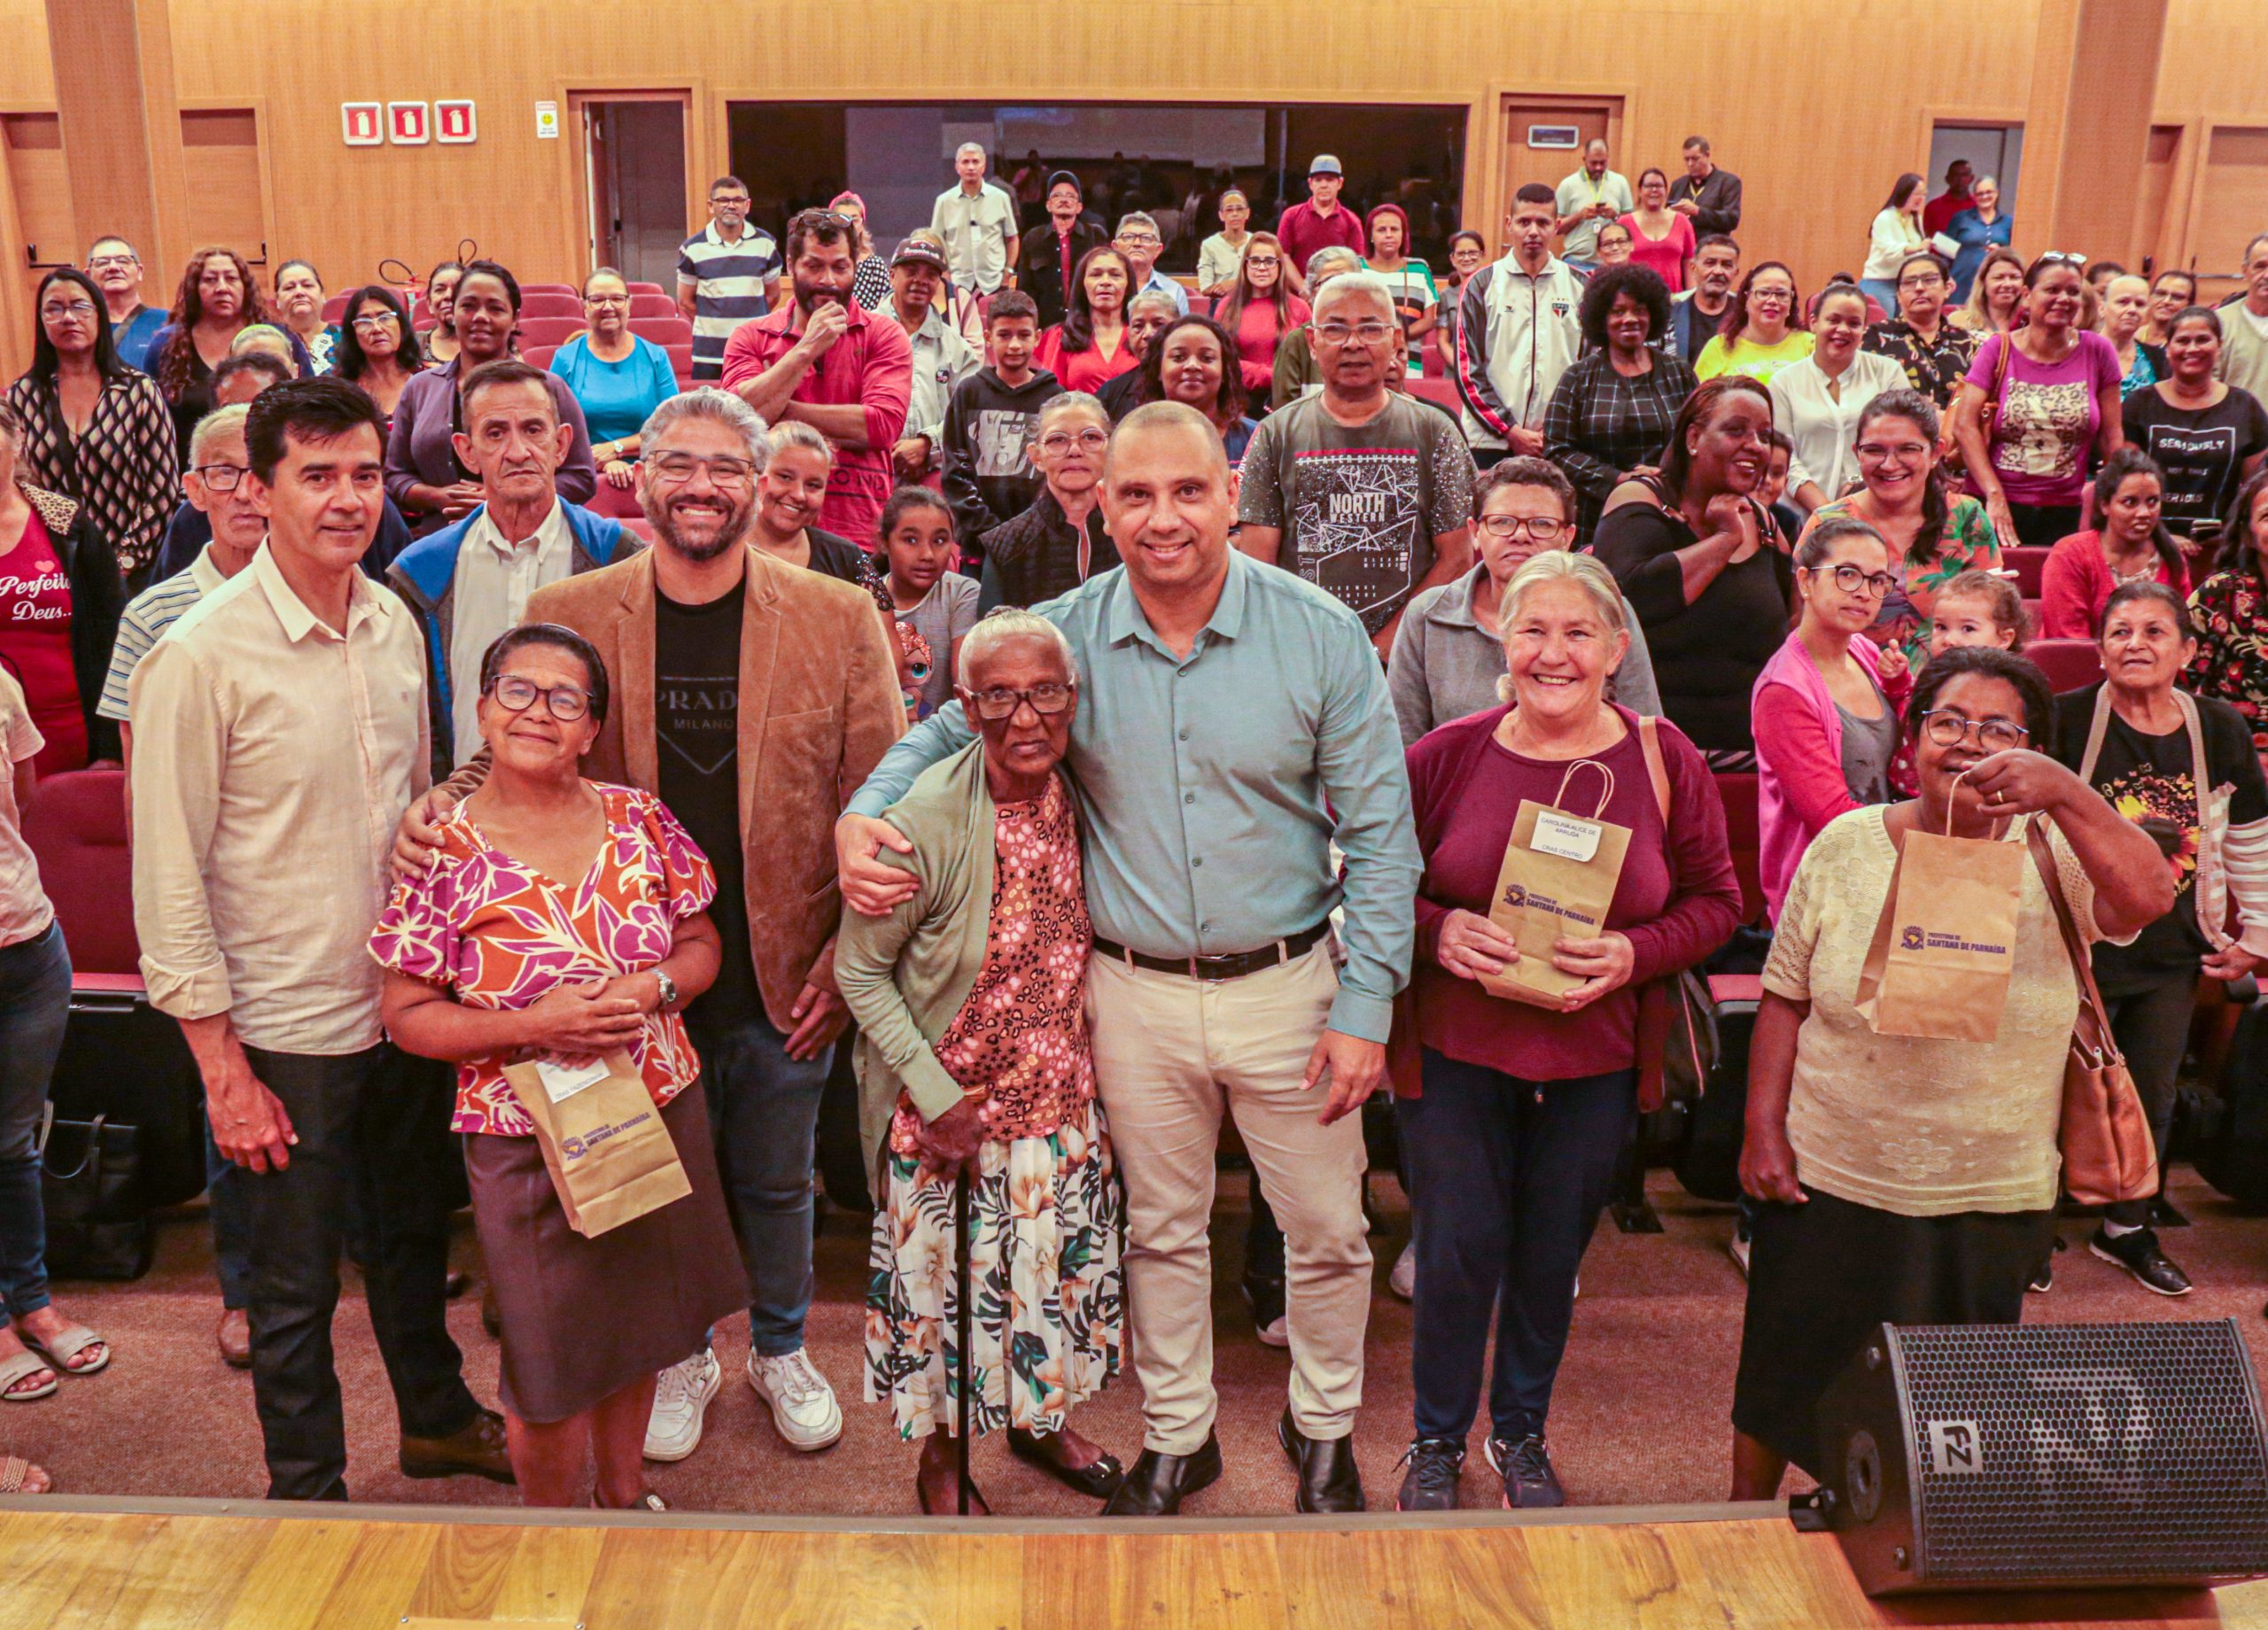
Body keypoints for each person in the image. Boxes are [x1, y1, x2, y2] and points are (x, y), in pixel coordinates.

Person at [837, 401, 1422, 1518]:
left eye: (1189, 491)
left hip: (1294, 987)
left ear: (1233, 497)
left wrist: (1364, 1005)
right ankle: (1178, 1436)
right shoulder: (1056, 638)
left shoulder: (1319, 633)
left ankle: (1326, 1424)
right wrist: (859, 818)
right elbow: (937, 731)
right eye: (1137, 494)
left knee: (1330, 1231)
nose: (1165, 518)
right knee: (1159, 1227)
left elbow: (1385, 840)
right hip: (1130, 992)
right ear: (1098, 508)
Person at [392, 386, 905, 1467]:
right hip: (622, 978)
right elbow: (514, 731)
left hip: (781, 968)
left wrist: (840, 964)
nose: (703, 486)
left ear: (759, 482)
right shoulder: (579, 606)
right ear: (641, 475)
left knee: (773, 1178)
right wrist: (442, 801)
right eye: (680, 463)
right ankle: (681, 1355)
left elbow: (884, 803)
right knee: (650, 1184)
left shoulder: (837, 611)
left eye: (726, 466)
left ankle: (777, 1346)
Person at [129, 378, 507, 1501]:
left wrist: (433, 819)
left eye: (361, 473)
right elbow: (167, 881)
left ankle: (435, 1421)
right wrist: (221, 1071)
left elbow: (408, 800)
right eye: (316, 476)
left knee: (409, 1248)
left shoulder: (393, 618)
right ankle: (306, 1490)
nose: (346, 499)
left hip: (401, 1004)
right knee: (292, 1288)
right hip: (283, 1029)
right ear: (254, 490)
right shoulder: (198, 658)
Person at [1729, 645, 2171, 1499]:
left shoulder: (2057, 853)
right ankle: (1740, 1528)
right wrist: (1762, 1133)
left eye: (2000, 728)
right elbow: (1783, 997)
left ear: (2036, 748)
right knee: (1783, 1376)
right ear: (1913, 739)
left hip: (1988, 1186)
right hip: (1834, 1173)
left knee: (1954, 1401)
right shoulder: (1849, 844)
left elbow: (2150, 896)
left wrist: (2069, 796)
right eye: (1949, 722)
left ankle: (1922, 1541)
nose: (1969, 744)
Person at [374, 625, 745, 1510]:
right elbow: (406, 1015)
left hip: (654, 1110)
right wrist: (534, 1021)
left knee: (642, 1331)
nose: (537, 710)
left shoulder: (640, 819)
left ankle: (622, 1499)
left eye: (565, 698)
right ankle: (549, 1537)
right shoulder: (442, 850)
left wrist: (653, 987)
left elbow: (700, 943)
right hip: (524, 1136)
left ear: (591, 730)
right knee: (545, 1363)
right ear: (482, 707)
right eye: (516, 689)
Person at [1396, 550, 1736, 1510]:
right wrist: (1438, 928)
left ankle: (1520, 1434)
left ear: (1616, 647)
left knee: (1550, 1257)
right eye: (1532, 630)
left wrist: (1636, 952)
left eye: (1577, 632)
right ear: (1502, 644)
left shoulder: (1662, 758)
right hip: (1458, 1049)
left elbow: (1718, 901)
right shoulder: (1447, 754)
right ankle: (1433, 1440)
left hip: (1594, 1058)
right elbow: (1368, 882)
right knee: (1455, 1253)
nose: (1553, 652)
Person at [838, 608, 1128, 1515]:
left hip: (1057, 1101)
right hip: (949, 1119)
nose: (1027, 717)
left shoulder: (1073, 786)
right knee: (948, 1303)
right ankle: (940, 1458)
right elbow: (859, 969)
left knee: (1044, 1281)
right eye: (1000, 696)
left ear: (1072, 699)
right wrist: (935, 1094)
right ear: (965, 706)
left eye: (1046, 692)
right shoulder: (922, 820)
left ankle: (1038, 1425)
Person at [2053, 582, 2268, 1294]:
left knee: (2149, 1093)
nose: (2135, 644)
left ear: (2187, 650)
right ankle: (2024, 1226)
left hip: (2171, 951)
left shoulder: (2219, 728)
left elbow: (2249, 837)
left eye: (2152, 631)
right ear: (2100, 646)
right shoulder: (2066, 718)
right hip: (2071, 950)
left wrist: (2260, 934)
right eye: (2119, 631)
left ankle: (2127, 1229)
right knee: (2044, 1090)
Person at [386, 359, 643, 771]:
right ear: (466, 452)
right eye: (495, 433)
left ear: (561, 445)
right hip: (463, 807)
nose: (518, 451)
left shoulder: (619, 560)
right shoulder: (420, 574)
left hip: (586, 809)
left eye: (533, 430)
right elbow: (416, 721)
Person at [1240, 272, 1475, 657]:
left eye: (1370, 329)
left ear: (1396, 340)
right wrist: (1312, 647)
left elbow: (1457, 558)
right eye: (1335, 330)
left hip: (1407, 655)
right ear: (1313, 343)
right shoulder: (1275, 434)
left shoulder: (1435, 431)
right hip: (1301, 651)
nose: (1353, 344)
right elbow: (1258, 566)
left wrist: (1382, 649)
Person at [0, 640, 104, 1433]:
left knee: (13, 1145)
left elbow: (22, 797)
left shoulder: (2, 683)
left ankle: (32, 1304)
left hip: (29, 944)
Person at [1389, 456, 1660, 744]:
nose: (1520, 535)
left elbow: (1644, 734)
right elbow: (1399, 746)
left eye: (1541, 524)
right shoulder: (1428, 615)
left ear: (1567, 537)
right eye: (1502, 522)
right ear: (1475, 532)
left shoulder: (1608, 608)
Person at [1596, 377, 1794, 770]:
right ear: (1693, 438)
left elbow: (1792, 627)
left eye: (1764, 435)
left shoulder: (1767, 525)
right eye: (1736, 430)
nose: (1755, 445)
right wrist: (1724, 540)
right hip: (1648, 752)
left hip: (1751, 756)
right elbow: (1632, 600)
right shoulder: (1641, 499)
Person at [722, 208, 914, 546]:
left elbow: (882, 425)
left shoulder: (885, 334)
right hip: (762, 535)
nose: (828, 280)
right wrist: (805, 350)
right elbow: (736, 424)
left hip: (861, 532)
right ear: (790, 265)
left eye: (840, 267)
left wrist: (778, 412)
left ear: (855, 266)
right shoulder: (750, 336)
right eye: (814, 266)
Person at [1754, 516, 1912, 922]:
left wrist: (1898, 688)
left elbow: (1901, 752)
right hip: (1824, 900)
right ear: (1806, 582)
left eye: (1878, 580)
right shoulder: (1784, 691)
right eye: (1847, 574)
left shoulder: (1863, 648)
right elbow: (1833, 820)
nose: (1863, 592)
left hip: (1886, 871)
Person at [386, 260, 599, 537]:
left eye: (495, 308)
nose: (480, 317)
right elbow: (395, 476)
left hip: (534, 540)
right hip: (440, 542)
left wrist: (504, 497)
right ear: (453, 312)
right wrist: (439, 496)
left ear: (515, 318)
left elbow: (582, 478)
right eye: (469, 306)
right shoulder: (419, 388)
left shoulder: (550, 388)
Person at [1803, 389, 2001, 670]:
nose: (1890, 464)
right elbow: (1805, 630)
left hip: (1946, 690)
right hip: (1850, 693)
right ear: (1856, 453)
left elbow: (1989, 626)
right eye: (1874, 450)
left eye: (1907, 449)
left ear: (1936, 452)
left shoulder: (1968, 518)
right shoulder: (1827, 525)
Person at [6, 268, 178, 583]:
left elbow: (163, 489)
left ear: (99, 314)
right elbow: (15, 489)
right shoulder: (22, 397)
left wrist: (125, 560)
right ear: (42, 321)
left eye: (80, 306)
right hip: (51, 571)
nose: (68, 318)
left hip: (130, 571)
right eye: (54, 309)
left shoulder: (138, 390)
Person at [1954, 254, 2126, 553]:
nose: (2063, 299)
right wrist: (1994, 495)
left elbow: (2112, 435)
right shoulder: (1998, 348)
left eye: (2072, 292)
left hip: (2064, 510)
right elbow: (1964, 425)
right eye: (2052, 290)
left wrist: (2114, 499)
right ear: (2026, 295)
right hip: (1993, 504)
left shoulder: (2098, 350)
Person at [0, 396, 124, 774]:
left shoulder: (67, 523)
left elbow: (114, 635)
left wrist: (112, 748)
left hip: (73, 738)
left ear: (17, 439)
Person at [1542, 263, 1697, 548]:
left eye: (1639, 310)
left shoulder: (1679, 372)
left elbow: (1698, 436)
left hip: (1670, 510)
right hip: (1596, 517)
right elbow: (1557, 449)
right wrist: (1620, 479)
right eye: (1618, 311)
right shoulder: (1578, 377)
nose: (1630, 319)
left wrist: (1665, 477)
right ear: (1601, 318)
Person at [1452, 184, 1585, 469]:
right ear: (1509, 225)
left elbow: (1588, 369)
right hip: (1489, 441)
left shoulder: (1581, 285)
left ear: (1557, 226)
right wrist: (1509, 430)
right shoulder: (1481, 284)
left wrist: (1556, 428)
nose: (1533, 231)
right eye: (1524, 222)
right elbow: (1468, 371)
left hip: (1556, 441)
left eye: (1543, 222)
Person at [149, 246, 314, 465]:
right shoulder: (166, 344)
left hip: (276, 464)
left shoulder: (279, 338)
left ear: (245, 286)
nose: (222, 288)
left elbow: (311, 403)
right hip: (191, 469)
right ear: (194, 288)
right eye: (210, 279)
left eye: (231, 278)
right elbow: (152, 420)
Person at [2124, 307, 2268, 545]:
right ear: (2168, 349)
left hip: (2221, 545)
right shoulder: (2139, 404)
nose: (2192, 349)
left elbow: (2257, 490)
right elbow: (2124, 485)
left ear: (2219, 346)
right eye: (2182, 340)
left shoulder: (2245, 406)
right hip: (2148, 542)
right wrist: (2162, 537)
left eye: (2202, 340)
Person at [941, 290, 1061, 560]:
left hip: (1040, 544)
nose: (1015, 345)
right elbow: (956, 470)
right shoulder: (969, 392)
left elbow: (1059, 471)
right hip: (980, 546)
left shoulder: (1055, 398)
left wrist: (1031, 529)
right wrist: (990, 531)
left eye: (1024, 335)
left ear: (1038, 337)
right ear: (987, 338)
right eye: (1004, 335)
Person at [1770, 282, 1907, 515]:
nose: (1843, 329)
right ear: (1813, 322)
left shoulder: (1888, 373)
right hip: (1803, 516)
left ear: (1865, 328)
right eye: (1833, 320)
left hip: (1877, 510)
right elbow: (1785, 458)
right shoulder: (1783, 382)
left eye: (1854, 323)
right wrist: (1827, 513)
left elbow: (1903, 443)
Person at [978, 392, 1118, 611]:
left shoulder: (1134, 532)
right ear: (1036, 457)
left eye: (1090, 437)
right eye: (1057, 440)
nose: (1074, 451)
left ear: (1111, 449)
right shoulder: (1006, 546)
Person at [2038, 448, 2190, 639]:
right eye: (2130, 502)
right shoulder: (2070, 555)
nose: (2144, 513)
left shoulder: (2171, 557)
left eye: (2152, 501)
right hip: (2080, 666)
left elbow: (2180, 637)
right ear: (2104, 505)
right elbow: (2069, 645)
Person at [548, 268, 678, 492]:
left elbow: (673, 428)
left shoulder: (655, 356)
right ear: (585, 306)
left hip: (649, 474)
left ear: (629, 304)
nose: (608, 307)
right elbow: (551, 430)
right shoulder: (565, 358)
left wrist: (617, 449)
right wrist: (604, 461)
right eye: (597, 300)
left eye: (617, 299)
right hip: (583, 474)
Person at [878, 238, 982, 486]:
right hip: (870, 474)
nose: (921, 281)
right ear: (892, 276)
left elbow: (973, 414)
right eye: (911, 272)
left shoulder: (957, 348)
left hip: (934, 474)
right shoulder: (862, 335)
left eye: (931, 275)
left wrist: (928, 444)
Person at [876, 486, 976, 721]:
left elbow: (965, 686)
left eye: (940, 541)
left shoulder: (961, 594)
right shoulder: (864, 598)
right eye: (910, 540)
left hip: (941, 742)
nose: (927, 554)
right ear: (883, 542)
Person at [2187, 469, 2268, 743]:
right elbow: (2173, 680)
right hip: (2231, 751)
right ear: (2248, 533)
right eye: (2267, 516)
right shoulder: (2219, 594)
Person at [678, 175, 781, 383]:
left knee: (753, 412)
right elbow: (685, 302)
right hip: (709, 354)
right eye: (723, 200)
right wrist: (715, 321)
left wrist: (747, 323)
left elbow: (772, 296)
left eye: (738, 200)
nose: (731, 206)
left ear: (747, 205)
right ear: (711, 206)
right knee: (708, 413)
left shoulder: (766, 244)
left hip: (753, 351)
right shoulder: (692, 248)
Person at [1130, 314, 1256, 463]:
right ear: (1158, 369)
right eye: (1178, 357)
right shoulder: (1133, 439)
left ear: (1224, 371)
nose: (1192, 365)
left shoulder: (1255, 438)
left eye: (1207, 358)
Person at [1863, 252, 1978, 415]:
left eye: (1929, 280)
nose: (1919, 288)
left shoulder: (1969, 343)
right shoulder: (1875, 336)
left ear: (1947, 288)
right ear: (1898, 296)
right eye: (1909, 282)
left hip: (1957, 434)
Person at [1213, 233, 1310, 412]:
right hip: (1237, 401)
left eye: (1269, 261)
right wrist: (1270, 375)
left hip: (1288, 402)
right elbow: (1220, 357)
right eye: (1255, 261)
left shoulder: (1299, 308)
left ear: (1280, 266)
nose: (1262, 267)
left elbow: (1308, 360)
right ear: (1245, 265)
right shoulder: (1226, 306)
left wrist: (1282, 380)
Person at [1034, 247, 1141, 395]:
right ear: (1083, 285)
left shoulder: (1142, 335)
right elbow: (1049, 398)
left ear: (1128, 285)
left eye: (1115, 275)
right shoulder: (1061, 336)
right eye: (1096, 275)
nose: (1105, 282)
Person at [1270, 245, 1363, 409]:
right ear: (1312, 292)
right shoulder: (1297, 342)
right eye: (1330, 281)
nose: (1339, 288)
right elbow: (1284, 416)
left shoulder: (1374, 335)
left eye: (1347, 280)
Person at [1694, 262, 1814, 385]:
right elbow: (1700, 400)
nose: (1772, 300)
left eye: (1782, 294)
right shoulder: (1719, 346)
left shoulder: (1811, 345)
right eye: (1763, 293)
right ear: (1746, 299)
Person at [1021, 171, 1108, 331]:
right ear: (1048, 205)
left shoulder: (1095, 235)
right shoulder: (1033, 238)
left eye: (1070, 196)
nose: (1064, 199)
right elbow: (1025, 290)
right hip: (1044, 326)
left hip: (1088, 326)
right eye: (1057, 196)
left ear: (1079, 207)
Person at [330, 285, 426, 429]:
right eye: (364, 321)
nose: (377, 328)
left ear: (401, 325)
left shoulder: (428, 379)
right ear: (352, 334)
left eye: (385, 318)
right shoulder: (342, 391)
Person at [930, 143, 1020, 298]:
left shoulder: (1001, 198)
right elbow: (936, 242)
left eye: (975, 162)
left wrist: (1008, 271)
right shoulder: (944, 201)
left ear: (983, 166)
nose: (971, 167)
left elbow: (1012, 239)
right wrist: (944, 273)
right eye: (965, 162)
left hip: (994, 282)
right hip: (957, 283)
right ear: (957, 167)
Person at [1277, 154, 1367, 293]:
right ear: (1310, 183)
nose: (1324, 185)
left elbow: (1356, 264)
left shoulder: (1352, 221)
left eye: (1330, 180)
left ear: (1340, 183)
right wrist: (1303, 289)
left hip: (1338, 297)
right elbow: (1283, 255)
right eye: (1318, 180)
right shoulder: (1291, 216)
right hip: (1297, 298)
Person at [1364, 205, 1438, 372]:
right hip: (1366, 361)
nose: (1389, 235)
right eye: (1382, 230)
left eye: (1395, 229)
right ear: (1371, 236)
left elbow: (1429, 320)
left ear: (1403, 235)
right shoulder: (1357, 269)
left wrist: (1396, 338)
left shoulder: (1419, 269)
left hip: (1409, 363)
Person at [1095, 290, 1180, 421]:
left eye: (1159, 324)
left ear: (1179, 329)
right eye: (1138, 326)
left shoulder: (1193, 383)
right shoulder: (1110, 393)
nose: (1148, 334)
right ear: (1128, 334)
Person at [86, 237, 167, 374]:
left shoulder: (168, 321)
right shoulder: (80, 325)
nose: (113, 267)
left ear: (139, 271)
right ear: (88, 275)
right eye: (102, 263)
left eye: (123, 261)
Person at [1553, 138, 1635, 270]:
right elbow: (1554, 228)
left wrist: (1615, 216)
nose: (1598, 167)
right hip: (1577, 262)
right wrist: (1580, 215)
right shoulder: (1567, 185)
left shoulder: (1620, 182)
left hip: (1612, 263)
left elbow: (1632, 226)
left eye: (1603, 163)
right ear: (1584, 159)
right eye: (1593, 163)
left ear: (1608, 158)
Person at [1620, 167, 1696, 295]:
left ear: (1666, 191)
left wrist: (1691, 296)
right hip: (1635, 299)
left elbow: (1690, 261)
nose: (1654, 190)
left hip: (1674, 300)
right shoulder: (1624, 223)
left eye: (1659, 186)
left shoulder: (1682, 221)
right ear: (1640, 191)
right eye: (1649, 186)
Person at [1860, 175, 1927, 315]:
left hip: (1904, 283)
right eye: (1917, 193)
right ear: (1904, 192)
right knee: (1882, 329)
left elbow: (1920, 253)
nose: (1920, 198)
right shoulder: (1885, 218)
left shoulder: (1915, 219)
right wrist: (1917, 248)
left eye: (1923, 194)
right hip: (1879, 283)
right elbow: (1890, 253)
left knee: (1900, 329)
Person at [1668, 235, 1741, 365]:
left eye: (1727, 265)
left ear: (1736, 272)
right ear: (1693, 267)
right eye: (1710, 263)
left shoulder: (1746, 313)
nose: (1718, 271)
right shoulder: (1671, 309)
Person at [2218, 235, 2268, 411]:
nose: (2267, 275)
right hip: (2232, 433)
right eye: (2260, 266)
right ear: (2245, 271)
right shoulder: (2217, 323)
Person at [1945, 177, 2013, 307]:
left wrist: (2001, 252)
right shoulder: (1961, 218)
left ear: (1996, 193)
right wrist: (1945, 277)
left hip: (1992, 284)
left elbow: (2012, 255)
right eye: (1980, 193)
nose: (1985, 196)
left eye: (1989, 192)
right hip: (1961, 282)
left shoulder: (2008, 221)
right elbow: (1945, 252)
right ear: (1974, 196)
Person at [826, 193, 895, 315]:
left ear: (862, 224)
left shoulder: (875, 265)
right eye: (842, 220)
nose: (849, 225)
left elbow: (887, 309)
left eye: (855, 220)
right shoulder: (825, 264)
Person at [1111, 213, 1188, 318]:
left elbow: (1181, 333)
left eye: (1146, 238)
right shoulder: (1106, 287)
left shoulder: (1174, 291)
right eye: (1128, 237)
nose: (1137, 243)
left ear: (1158, 250)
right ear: (1115, 247)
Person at [2101, 274, 2165, 399]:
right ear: (2101, 308)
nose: (2132, 310)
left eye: (2140, 304)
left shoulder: (2159, 359)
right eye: (2123, 302)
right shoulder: (2080, 352)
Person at [1433, 229, 1488, 376]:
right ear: (1452, 259)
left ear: (1482, 255)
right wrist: (1462, 368)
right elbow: (1442, 341)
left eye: (1472, 253)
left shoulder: (1495, 291)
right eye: (1461, 253)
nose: (1467, 258)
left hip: (1490, 373)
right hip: (1455, 372)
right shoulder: (1446, 295)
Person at [1666, 136, 1743, 235]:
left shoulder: (1728, 182)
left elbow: (1731, 220)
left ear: (1707, 155)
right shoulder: (1678, 184)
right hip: (1682, 245)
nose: (1690, 164)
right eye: (1687, 159)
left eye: (1695, 159)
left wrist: (1698, 211)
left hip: (1712, 246)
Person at [273, 261, 336, 374]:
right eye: (289, 288)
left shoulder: (349, 339)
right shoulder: (269, 342)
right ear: (277, 300)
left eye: (307, 285)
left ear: (323, 295)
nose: (299, 292)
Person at [1953, 244, 2024, 338]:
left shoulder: (2031, 325)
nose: (2007, 284)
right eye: (1998, 278)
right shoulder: (1958, 322)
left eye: (2014, 277)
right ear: (1983, 282)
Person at [1196, 187, 1255, 297]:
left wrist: (1236, 285)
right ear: (1221, 215)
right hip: (1220, 302)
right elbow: (1205, 287)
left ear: (1247, 213)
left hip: (1251, 301)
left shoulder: (1257, 243)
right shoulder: (1209, 245)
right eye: (1229, 210)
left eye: (1239, 209)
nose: (1235, 214)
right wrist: (1223, 289)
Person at [2140, 269, 2201, 352]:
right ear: (2150, 297)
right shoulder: (2132, 336)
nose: (2166, 301)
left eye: (2177, 297)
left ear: (2190, 305)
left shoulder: (2190, 347)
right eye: (2160, 294)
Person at [420, 261, 463, 367]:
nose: (448, 295)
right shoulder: (414, 345)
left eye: (457, 289)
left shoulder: (489, 343)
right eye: (440, 290)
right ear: (429, 304)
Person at [1922, 159, 1976, 240]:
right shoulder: (1933, 207)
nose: (1960, 179)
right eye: (1955, 175)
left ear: (1971, 178)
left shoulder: (1979, 206)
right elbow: (1926, 237)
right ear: (1947, 179)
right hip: (1937, 252)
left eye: (1964, 175)